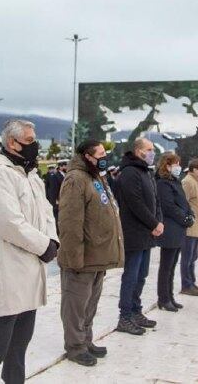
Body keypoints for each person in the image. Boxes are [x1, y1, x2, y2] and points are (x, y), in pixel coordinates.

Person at [0, 119, 58, 384]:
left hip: (32, 268)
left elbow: (46, 212)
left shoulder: (29, 173)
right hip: (10, 269)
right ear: (13, 142)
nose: (35, 146)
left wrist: (52, 239)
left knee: (20, 344)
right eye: (30, 141)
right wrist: (44, 246)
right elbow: (10, 223)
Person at [58, 139, 123, 364]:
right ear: (88, 156)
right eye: (101, 154)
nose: (105, 158)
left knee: (90, 303)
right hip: (82, 257)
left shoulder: (95, 177)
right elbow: (70, 222)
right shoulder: (76, 179)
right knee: (76, 304)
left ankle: (85, 340)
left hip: (97, 256)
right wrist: (74, 257)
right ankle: (75, 347)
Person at [115, 138, 162, 334]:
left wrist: (158, 221)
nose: (152, 153)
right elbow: (135, 202)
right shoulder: (129, 172)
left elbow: (155, 200)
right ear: (138, 151)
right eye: (149, 149)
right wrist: (153, 223)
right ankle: (125, 316)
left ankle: (136, 310)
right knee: (131, 276)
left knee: (142, 275)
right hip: (134, 232)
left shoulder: (146, 171)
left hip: (147, 233)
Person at [155, 152, 194, 312]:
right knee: (166, 265)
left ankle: (169, 296)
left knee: (172, 265)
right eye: (176, 164)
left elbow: (184, 202)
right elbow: (168, 206)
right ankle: (163, 299)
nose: (178, 167)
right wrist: (184, 218)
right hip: (171, 228)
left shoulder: (174, 181)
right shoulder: (163, 183)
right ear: (167, 165)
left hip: (178, 229)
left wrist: (190, 214)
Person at [180, 159, 198, 296]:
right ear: (194, 170)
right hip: (190, 228)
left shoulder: (197, 183)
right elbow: (182, 202)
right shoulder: (188, 182)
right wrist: (187, 219)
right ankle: (186, 285)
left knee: (193, 257)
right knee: (187, 258)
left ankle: (192, 282)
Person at [45, 159, 66, 224]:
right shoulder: (54, 176)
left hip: (62, 198)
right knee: (56, 216)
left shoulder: (64, 175)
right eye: (65, 165)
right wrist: (56, 199)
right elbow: (53, 188)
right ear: (61, 166)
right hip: (56, 199)